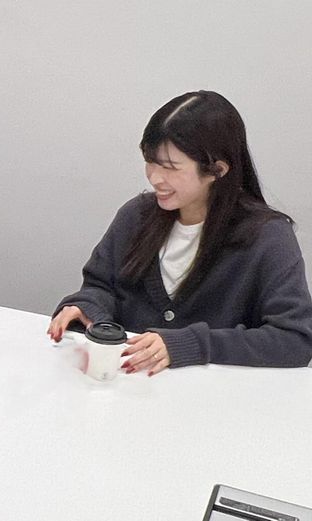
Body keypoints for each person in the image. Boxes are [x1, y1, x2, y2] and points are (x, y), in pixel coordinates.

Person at [47, 91, 312, 376]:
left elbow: (295, 340)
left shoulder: (268, 237)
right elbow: (100, 287)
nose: (154, 177)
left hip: (212, 397)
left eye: (170, 167)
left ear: (217, 170)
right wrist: (88, 307)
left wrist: (191, 344)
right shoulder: (136, 215)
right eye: (150, 161)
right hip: (128, 386)